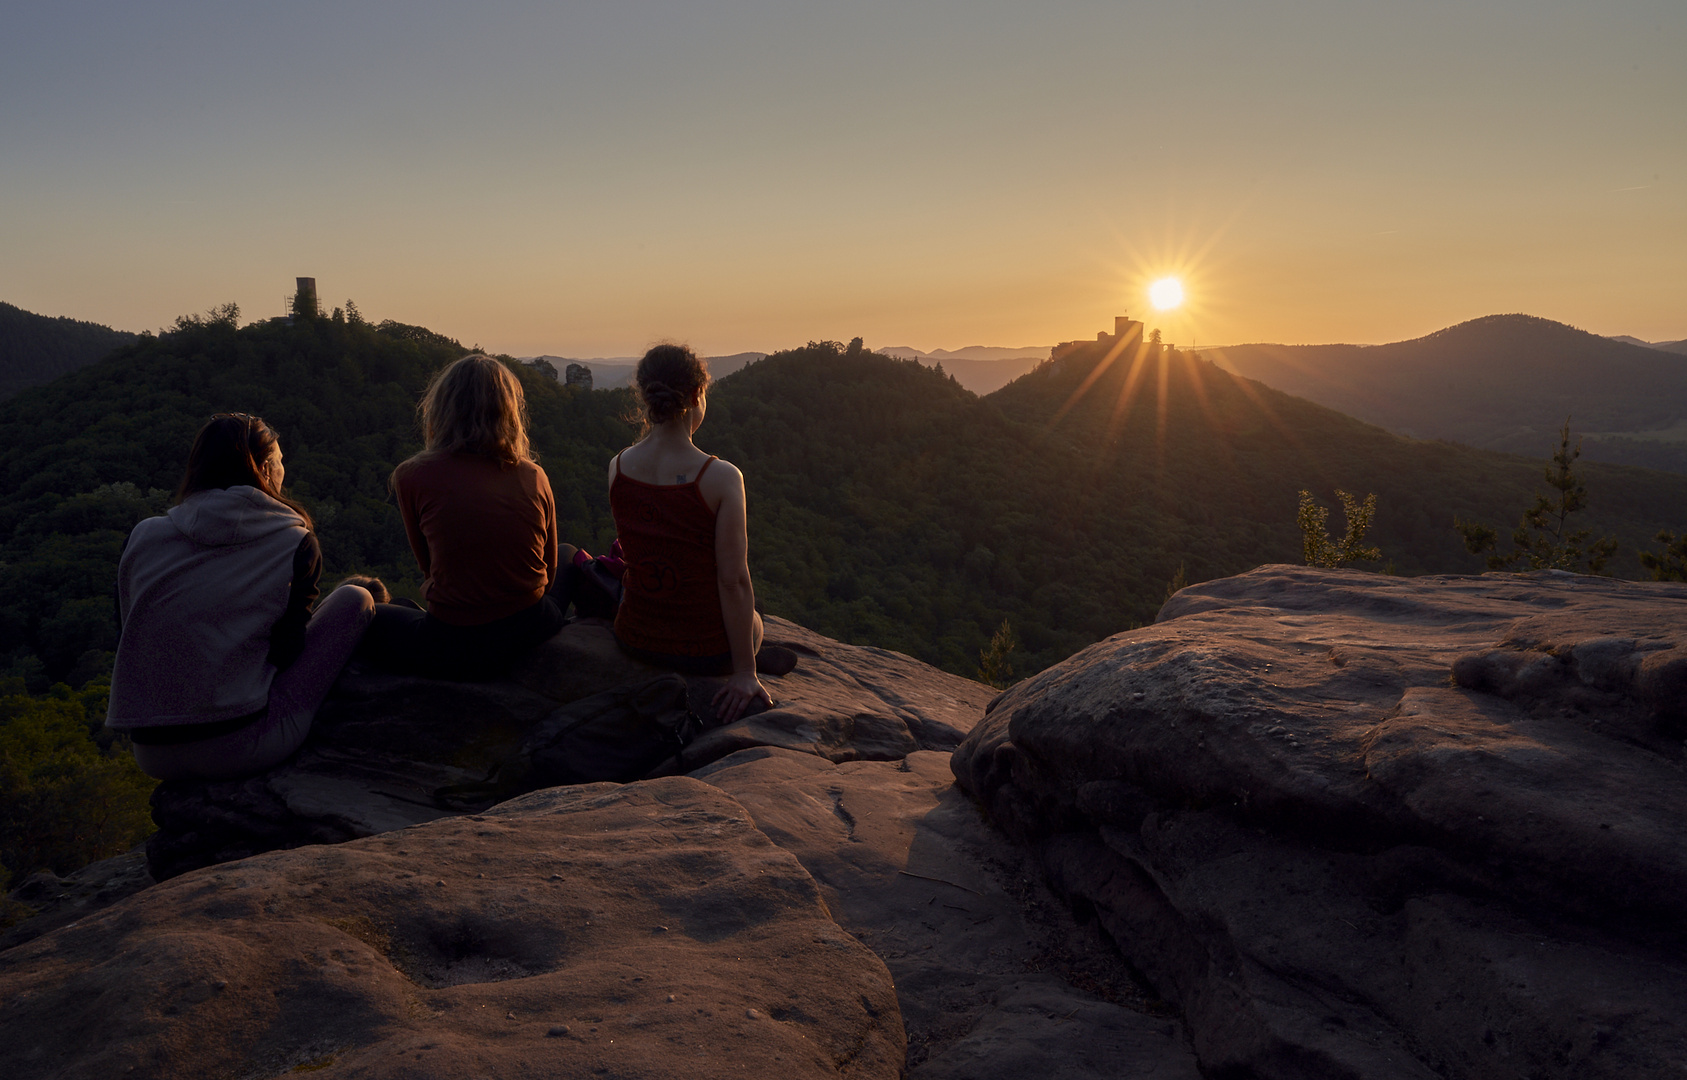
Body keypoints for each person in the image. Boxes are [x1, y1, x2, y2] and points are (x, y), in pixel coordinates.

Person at [106, 413, 376, 781]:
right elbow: (287, 653)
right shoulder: (294, 541)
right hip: (243, 745)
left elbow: (132, 634)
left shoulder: (143, 537)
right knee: (357, 598)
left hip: (152, 752)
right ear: (265, 468)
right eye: (281, 462)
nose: (283, 471)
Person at [364, 353, 580, 679]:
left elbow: (428, 566)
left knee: (371, 613)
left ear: (441, 409)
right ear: (508, 412)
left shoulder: (411, 475)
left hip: (452, 641)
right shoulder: (533, 475)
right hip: (529, 629)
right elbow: (547, 574)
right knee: (569, 555)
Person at [609, 343, 794, 723]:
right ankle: (752, 657)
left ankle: (754, 651)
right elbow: (733, 581)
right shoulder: (721, 477)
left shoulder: (618, 467)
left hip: (634, 639)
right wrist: (743, 673)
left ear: (645, 395)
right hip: (705, 653)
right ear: (696, 395)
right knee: (755, 617)